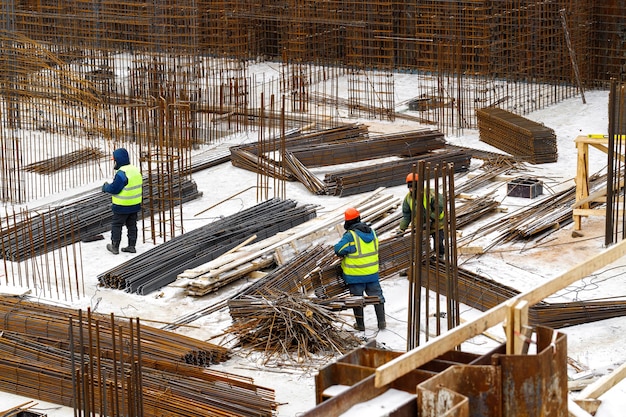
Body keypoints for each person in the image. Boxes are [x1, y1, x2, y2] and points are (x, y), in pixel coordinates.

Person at [334, 207, 386, 331]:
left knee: (357, 300)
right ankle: (382, 322)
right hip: (372, 273)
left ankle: (360, 325)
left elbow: (339, 250)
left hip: (355, 275)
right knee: (377, 297)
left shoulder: (350, 236)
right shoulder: (372, 232)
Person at [101, 148, 143, 255]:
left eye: (114, 160)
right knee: (132, 225)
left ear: (118, 160)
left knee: (117, 225)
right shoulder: (135, 170)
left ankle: (115, 246)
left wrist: (106, 187)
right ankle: (131, 246)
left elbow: (114, 189)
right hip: (135, 205)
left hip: (122, 206)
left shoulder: (122, 173)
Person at [398, 172, 446, 258]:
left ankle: (440, 257)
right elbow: (407, 216)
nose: (412, 189)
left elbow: (439, 207)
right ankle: (425, 258)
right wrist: (401, 229)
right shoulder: (408, 199)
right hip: (420, 225)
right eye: (410, 186)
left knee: (438, 245)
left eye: (413, 186)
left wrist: (431, 219)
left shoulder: (431, 194)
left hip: (436, 224)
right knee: (421, 246)